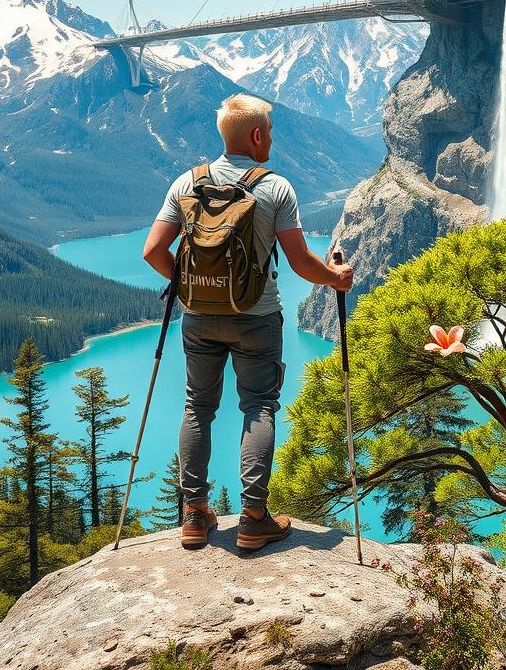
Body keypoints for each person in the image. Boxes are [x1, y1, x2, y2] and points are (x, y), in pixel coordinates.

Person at [142, 93, 353, 551]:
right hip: (257, 319)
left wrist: (189, 285)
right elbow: (300, 263)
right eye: (271, 132)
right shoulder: (275, 188)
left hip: (197, 318)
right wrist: (336, 278)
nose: (272, 139)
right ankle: (254, 518)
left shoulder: (187, 183)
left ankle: (194, 514)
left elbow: (153, 252)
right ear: (256, 136)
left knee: (198, 406)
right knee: (258, 406)